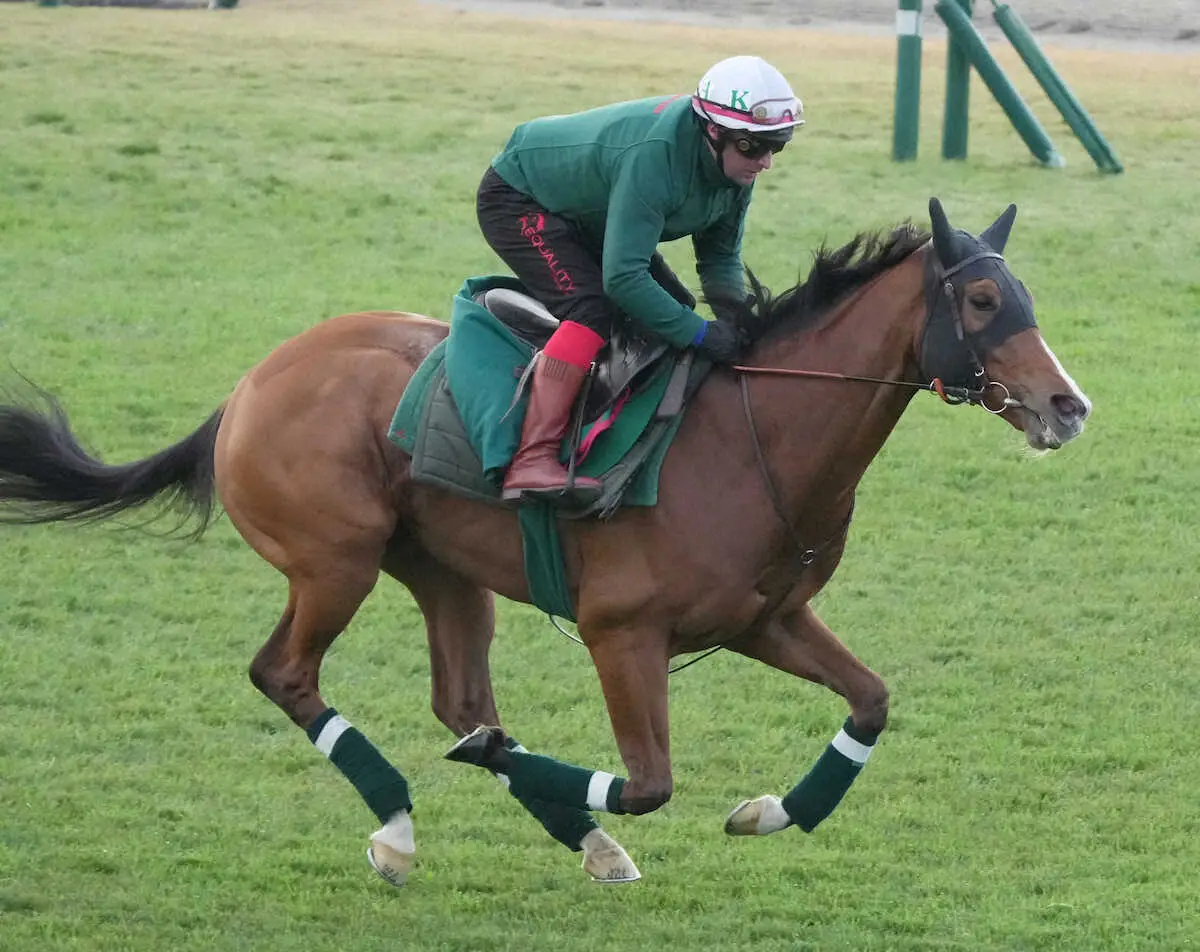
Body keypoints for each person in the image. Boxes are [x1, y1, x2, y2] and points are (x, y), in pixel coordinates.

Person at [476, 55, 804, 501]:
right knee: (593, 310)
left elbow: (720, 256)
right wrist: (702, 335)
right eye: (753, 146)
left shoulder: (736, 170)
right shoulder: (657, 157)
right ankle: (532, 458)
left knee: (675, 308)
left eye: (776, 146)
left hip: (590, 208)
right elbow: (623, 279)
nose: (765, 162)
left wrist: (738, 323)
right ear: (713, 130)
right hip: (521, 197)